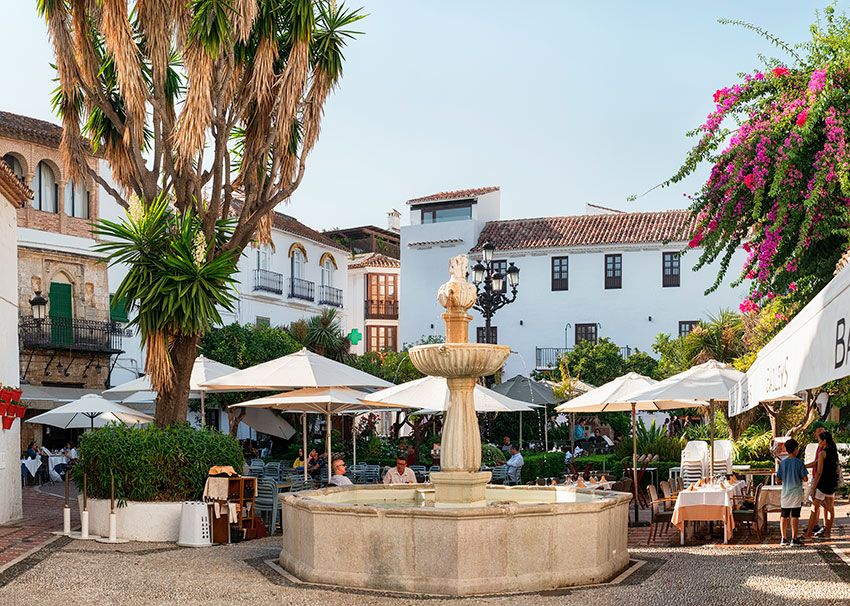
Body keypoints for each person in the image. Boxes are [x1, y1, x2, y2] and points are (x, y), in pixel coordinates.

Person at [805, 431, 838, 540]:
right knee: (830, 508)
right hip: (832, 483)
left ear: (824, 441)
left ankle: (808, 534)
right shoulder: (834, 451)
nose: (818, 442)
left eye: (819, 440)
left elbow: (818, 472)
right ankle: (828, 533)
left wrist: (814, 487)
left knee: (814, 508)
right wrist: (804, 465)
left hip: (822, 484)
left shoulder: (822, 453)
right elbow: (817, 463)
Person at [776, 438, 807, 546]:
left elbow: (778, 480)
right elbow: (805, 478)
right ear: (795, 450)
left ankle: (783, 538)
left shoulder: (783, 463)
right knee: (795, 515)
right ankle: (794, 538)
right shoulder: (799, 463)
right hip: (796, 493)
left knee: (784, 514)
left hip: (785, 492)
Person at [804, 423, 826, 535]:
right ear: (815, 433)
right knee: (816, 502)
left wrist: (805, 466)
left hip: (821, 477)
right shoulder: (819, 445)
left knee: (822, 503)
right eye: (819, 431)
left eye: (822, 430)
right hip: (816, 475)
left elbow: (819, 463)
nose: (821, 432)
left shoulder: (824, 445)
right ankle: (815, 525)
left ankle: (823, 527)